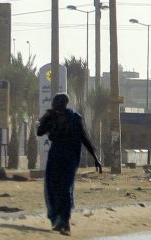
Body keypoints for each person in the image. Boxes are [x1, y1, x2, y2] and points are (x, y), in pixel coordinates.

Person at [37, 93, 102, 236]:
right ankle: (56, 219)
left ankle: (65, 223)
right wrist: (47, 120)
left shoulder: (74, 118)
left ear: (63, 103)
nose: (53, 103)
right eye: (53, 101)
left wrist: (95, 158)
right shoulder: (51, 116)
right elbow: (39, 132)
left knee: (65, 188)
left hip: (70, 158)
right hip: (55, 156)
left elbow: (84, 138)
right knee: (52, 187)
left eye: (56, 101)